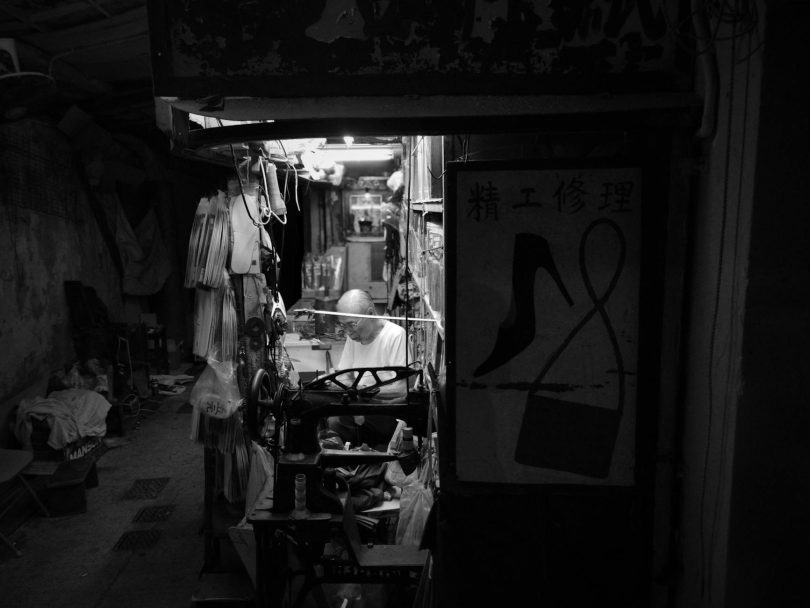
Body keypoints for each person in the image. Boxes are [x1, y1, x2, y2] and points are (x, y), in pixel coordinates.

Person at [325, 289, 409, 450]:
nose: (348, 332)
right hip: (360, 406)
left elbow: (402, 389)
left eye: (352, 324)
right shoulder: (354, 338)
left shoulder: (395, 336)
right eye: (343, 325)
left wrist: (361, 391)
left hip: (386, 412)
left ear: (370, 313)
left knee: (336, 422)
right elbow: (345, 375)